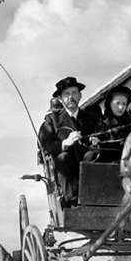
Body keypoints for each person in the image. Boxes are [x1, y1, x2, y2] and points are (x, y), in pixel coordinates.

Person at [38, 76, 99, 206]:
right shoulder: (52, 120)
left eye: (74, 93)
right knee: (64, 157)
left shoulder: (92, 119)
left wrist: (96, 143)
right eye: (66, 94)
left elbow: (101, 138)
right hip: (66, 174)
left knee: (93, 155)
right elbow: (45, 145)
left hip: (88, 168)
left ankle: (93, 199)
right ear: (60, 98)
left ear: (80, 95)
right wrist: (65, 143)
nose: (71, 97)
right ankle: (72, 202)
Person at [87, 85, 131, 162]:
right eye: (117, 103)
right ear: (110, 103)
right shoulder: (101, 125)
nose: (121, 107)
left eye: (124, 104)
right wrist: (96, 145)